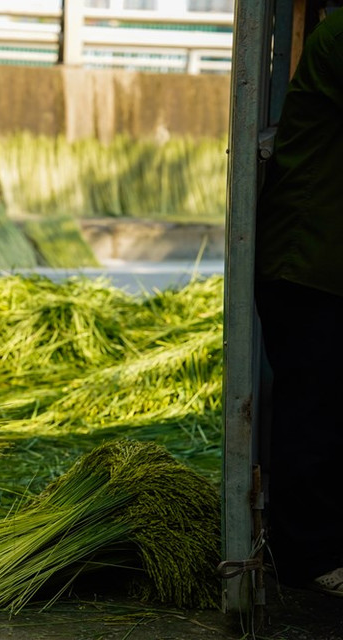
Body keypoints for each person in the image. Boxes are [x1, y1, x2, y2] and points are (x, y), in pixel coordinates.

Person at [255, 0, 343, 597]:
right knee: (316, 415)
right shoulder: (342, 36)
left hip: (326, 261)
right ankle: (309, 562)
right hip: (310, 262)